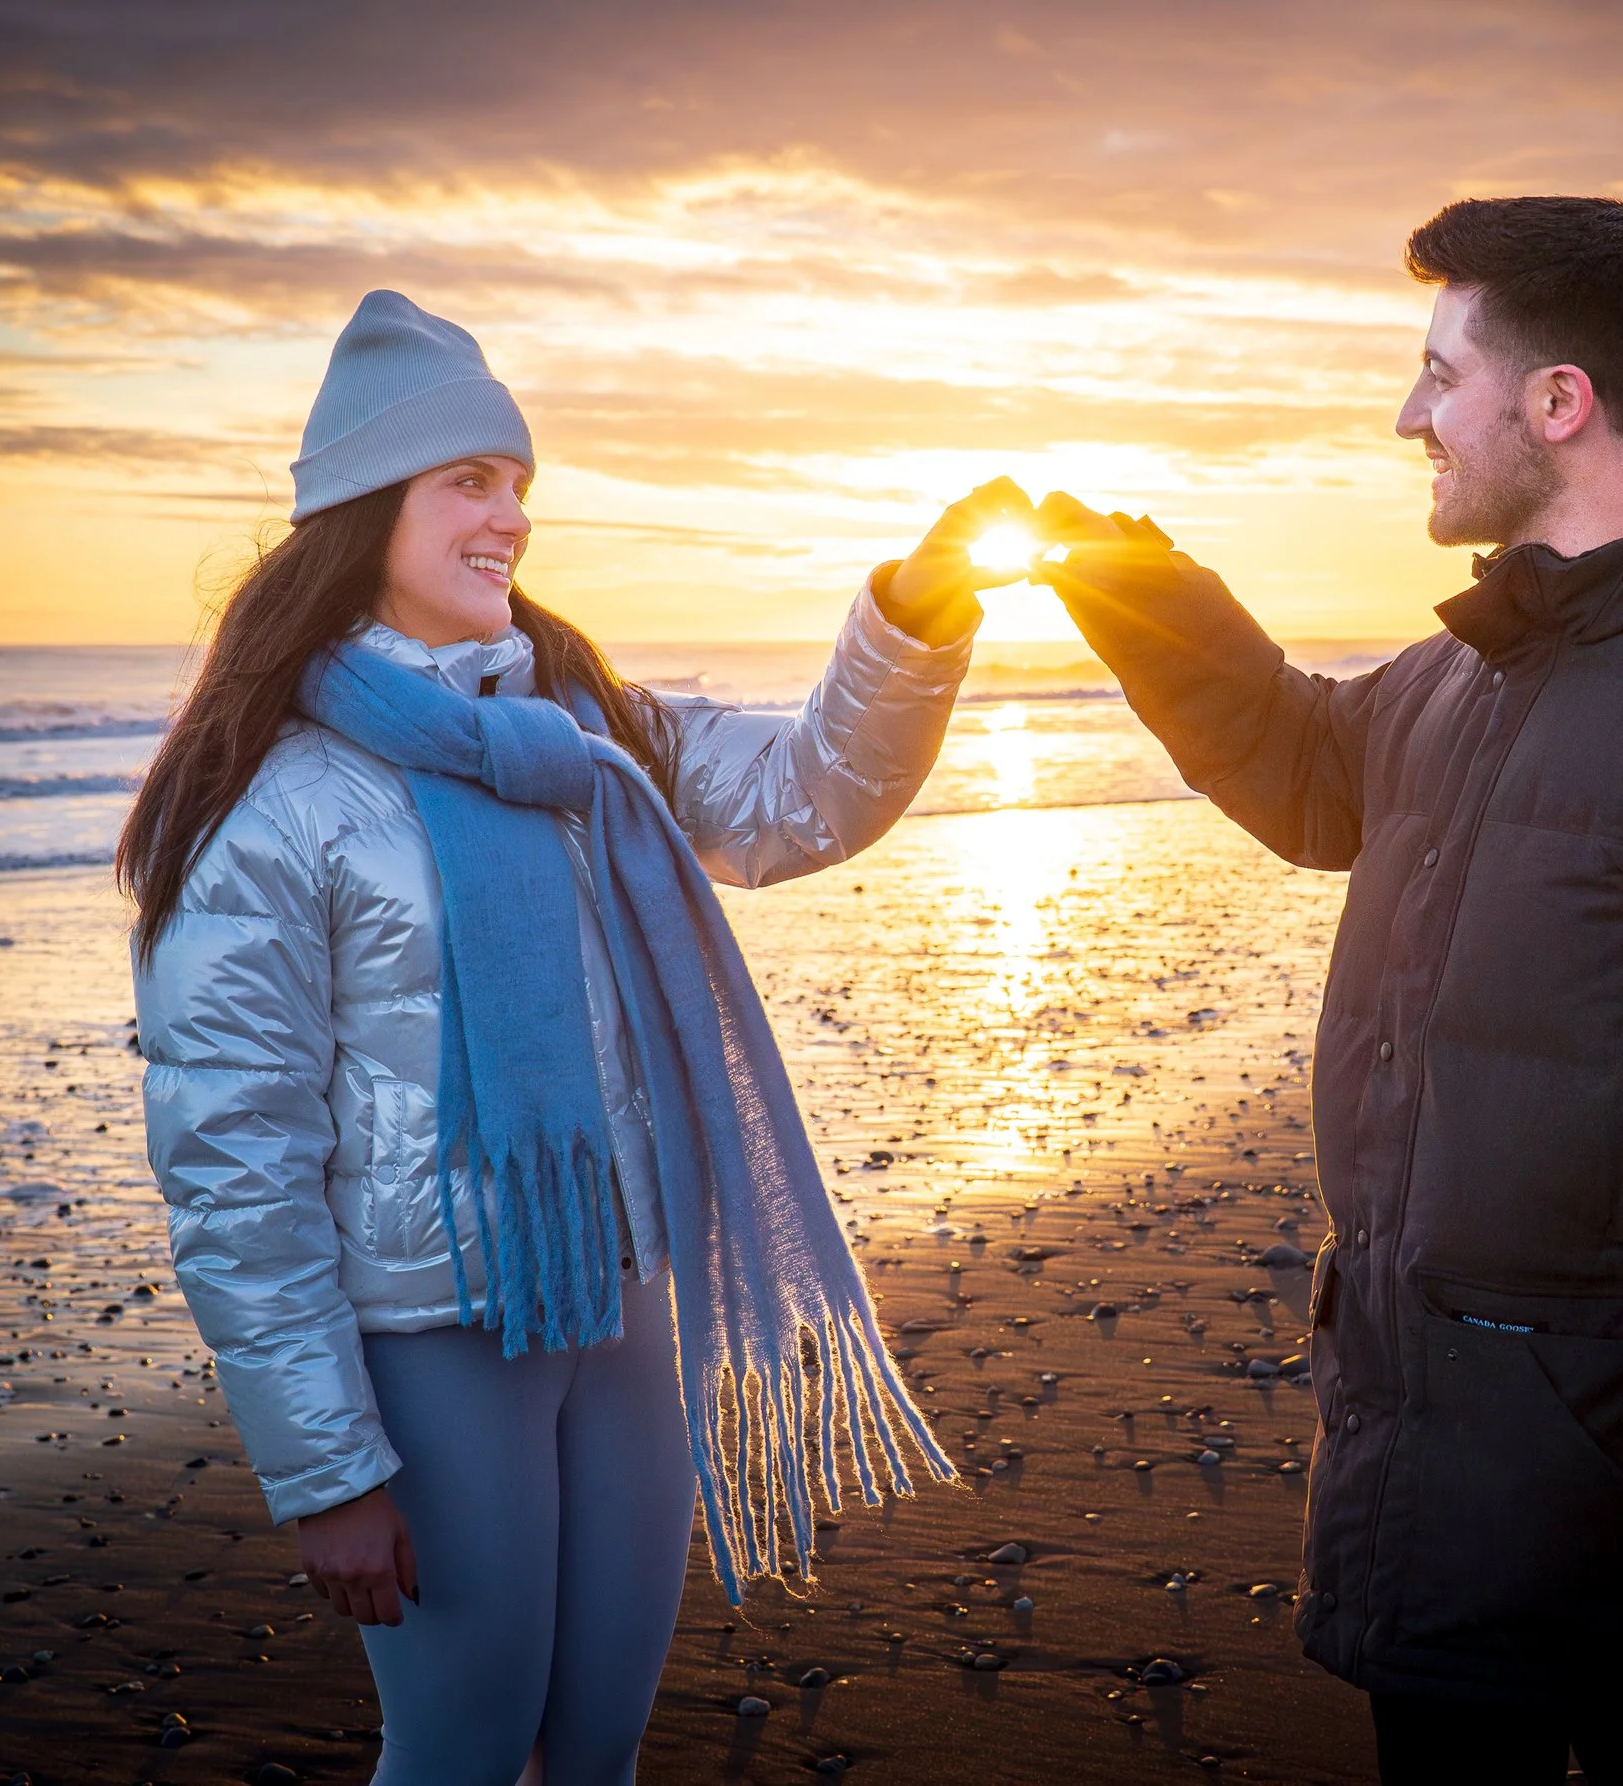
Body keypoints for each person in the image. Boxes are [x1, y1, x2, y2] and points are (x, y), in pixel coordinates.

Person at [1032, 198, 1623, 1781]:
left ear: (1558, 401)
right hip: (1435, 1468)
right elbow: (1310, 768)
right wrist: (1133, 589)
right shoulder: (1473, 668)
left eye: (1438, 373)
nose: (1408, 415)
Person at [118, 290, 1002, 1784]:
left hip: (619, 1300)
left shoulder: (586, 733)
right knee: (460, 1750)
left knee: (596, 1746)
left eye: (519, 483)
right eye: (471, 479)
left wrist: (915, 613)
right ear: (366, 509)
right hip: (434, 1340)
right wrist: (327, 1470)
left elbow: (803, 796)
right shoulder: (274, 802)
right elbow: (235, 1162)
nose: (512, 517)